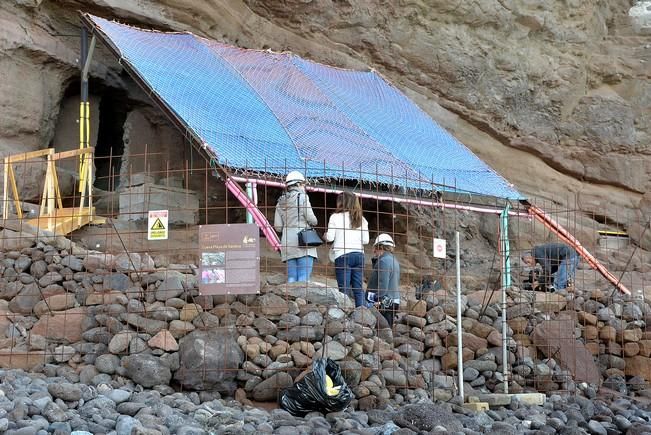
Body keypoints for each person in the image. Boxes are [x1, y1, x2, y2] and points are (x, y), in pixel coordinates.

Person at [325, 191, 369, 307]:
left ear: (341, 202)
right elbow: (366, 240)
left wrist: (325, 235)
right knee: (358, 288)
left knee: (343, 288)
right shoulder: (362, 219)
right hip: (359, 255)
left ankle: (344, 314)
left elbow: (330, 237)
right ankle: (361, 315)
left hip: (343, 254)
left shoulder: (335, 217)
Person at [274, 171, 318, 282]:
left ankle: (291, 299)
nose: (304, 186)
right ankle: (301, 299)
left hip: (287, 242)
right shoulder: (303, 198)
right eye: (303, 184)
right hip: (304, 240)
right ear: (298, 184)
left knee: (291, 277)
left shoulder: (280, 202)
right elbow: (312, 219)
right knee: (304, 277)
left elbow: (278, 227)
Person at [367, 234, 401, 326]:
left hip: (385, 302)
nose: (374, 252)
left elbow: (383, 285)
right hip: (393, 300)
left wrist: (376, 299)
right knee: (387, 330)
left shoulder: (384, 261)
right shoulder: (394, 260)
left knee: (382, 332)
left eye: (375, 248)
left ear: (380, 247)